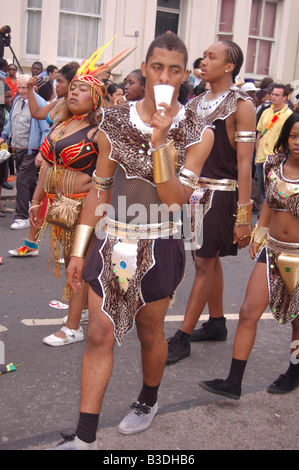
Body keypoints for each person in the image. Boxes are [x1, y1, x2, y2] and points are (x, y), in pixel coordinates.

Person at [50, 32, 214, 450]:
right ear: (145, 68)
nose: (164, 75)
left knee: (149, 333)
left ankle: (148, 400)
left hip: (160, 243)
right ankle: (85, 438)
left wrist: (161, 142)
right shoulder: (114, 121)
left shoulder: (198, 133)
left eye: (174, 69)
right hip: (110, 241)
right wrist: (77, 249)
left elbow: (176, 199)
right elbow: (100, 189)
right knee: (100, 334)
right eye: (157, 67)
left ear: (184, 74)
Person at [28, 42, 133, 347]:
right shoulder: (61, 124)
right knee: (70, 263)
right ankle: (85, 310)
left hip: (86, 208)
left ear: (96, 97)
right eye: (72, 88)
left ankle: (72, 327)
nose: (73, 92)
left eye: (82, 90)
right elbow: (47, 165)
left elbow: (110, 177)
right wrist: (36, 200)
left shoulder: (99, 133)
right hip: (59, 205)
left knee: (80, 265)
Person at [166, 40, 256, 364]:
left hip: (221, 192)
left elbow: (246, 163)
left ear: (229, 66)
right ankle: (217, 323)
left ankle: (183, 336)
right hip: (193, 191)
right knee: (207, 259)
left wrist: (243, 217)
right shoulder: (195, 102)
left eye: (211, 57)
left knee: (204, 263)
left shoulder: (241, 105)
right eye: (203, 55)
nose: (203, 61)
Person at [199, 111, 299, 399]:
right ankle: (233, 382)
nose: (296, 142)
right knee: (247, 312)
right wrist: (260, 232)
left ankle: (294, 371)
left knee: (298, 322)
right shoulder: (274, 163)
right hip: (272, 252)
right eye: (293, 136)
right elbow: (269, 201)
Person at [8, 64, 77, 258]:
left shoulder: (77, 106)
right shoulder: (58, 103)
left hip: (68, 166)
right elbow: (37, 113)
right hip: (51, 161)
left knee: (65, 209)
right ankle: (31, 244)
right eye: (56, 81)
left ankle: (70, 251)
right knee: (37, 203)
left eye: (61, 82)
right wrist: (30, 90)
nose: (56, 86)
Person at [0, 74, 49, 230]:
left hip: (32, 150)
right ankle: (38, 210)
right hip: (18, 148)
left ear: (32, 86)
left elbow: (45, 130)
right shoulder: (17, 100)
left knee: (21, 180)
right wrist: (3, 136)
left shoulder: (40, 103)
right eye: (19, 87)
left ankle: (21, 217)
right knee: (31, 182)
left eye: (24, 87)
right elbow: (10, 123)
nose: (21, 91)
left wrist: (41, 152)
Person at [255, 84, 293, 207]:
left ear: (285, 97)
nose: (273, 97)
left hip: (276, 159)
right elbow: (259, 132)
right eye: (272, 94)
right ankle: (261, 223)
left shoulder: (288, 115)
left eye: (277, 95)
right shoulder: (266, 111)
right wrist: (256, 154)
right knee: (262, 192)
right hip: (261, 158)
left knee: (272, 193)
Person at [0, 82, 13, 215]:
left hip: (4, 149)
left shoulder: (8, 108)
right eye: (7, 97)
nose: (10, 100)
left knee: (2, 177)